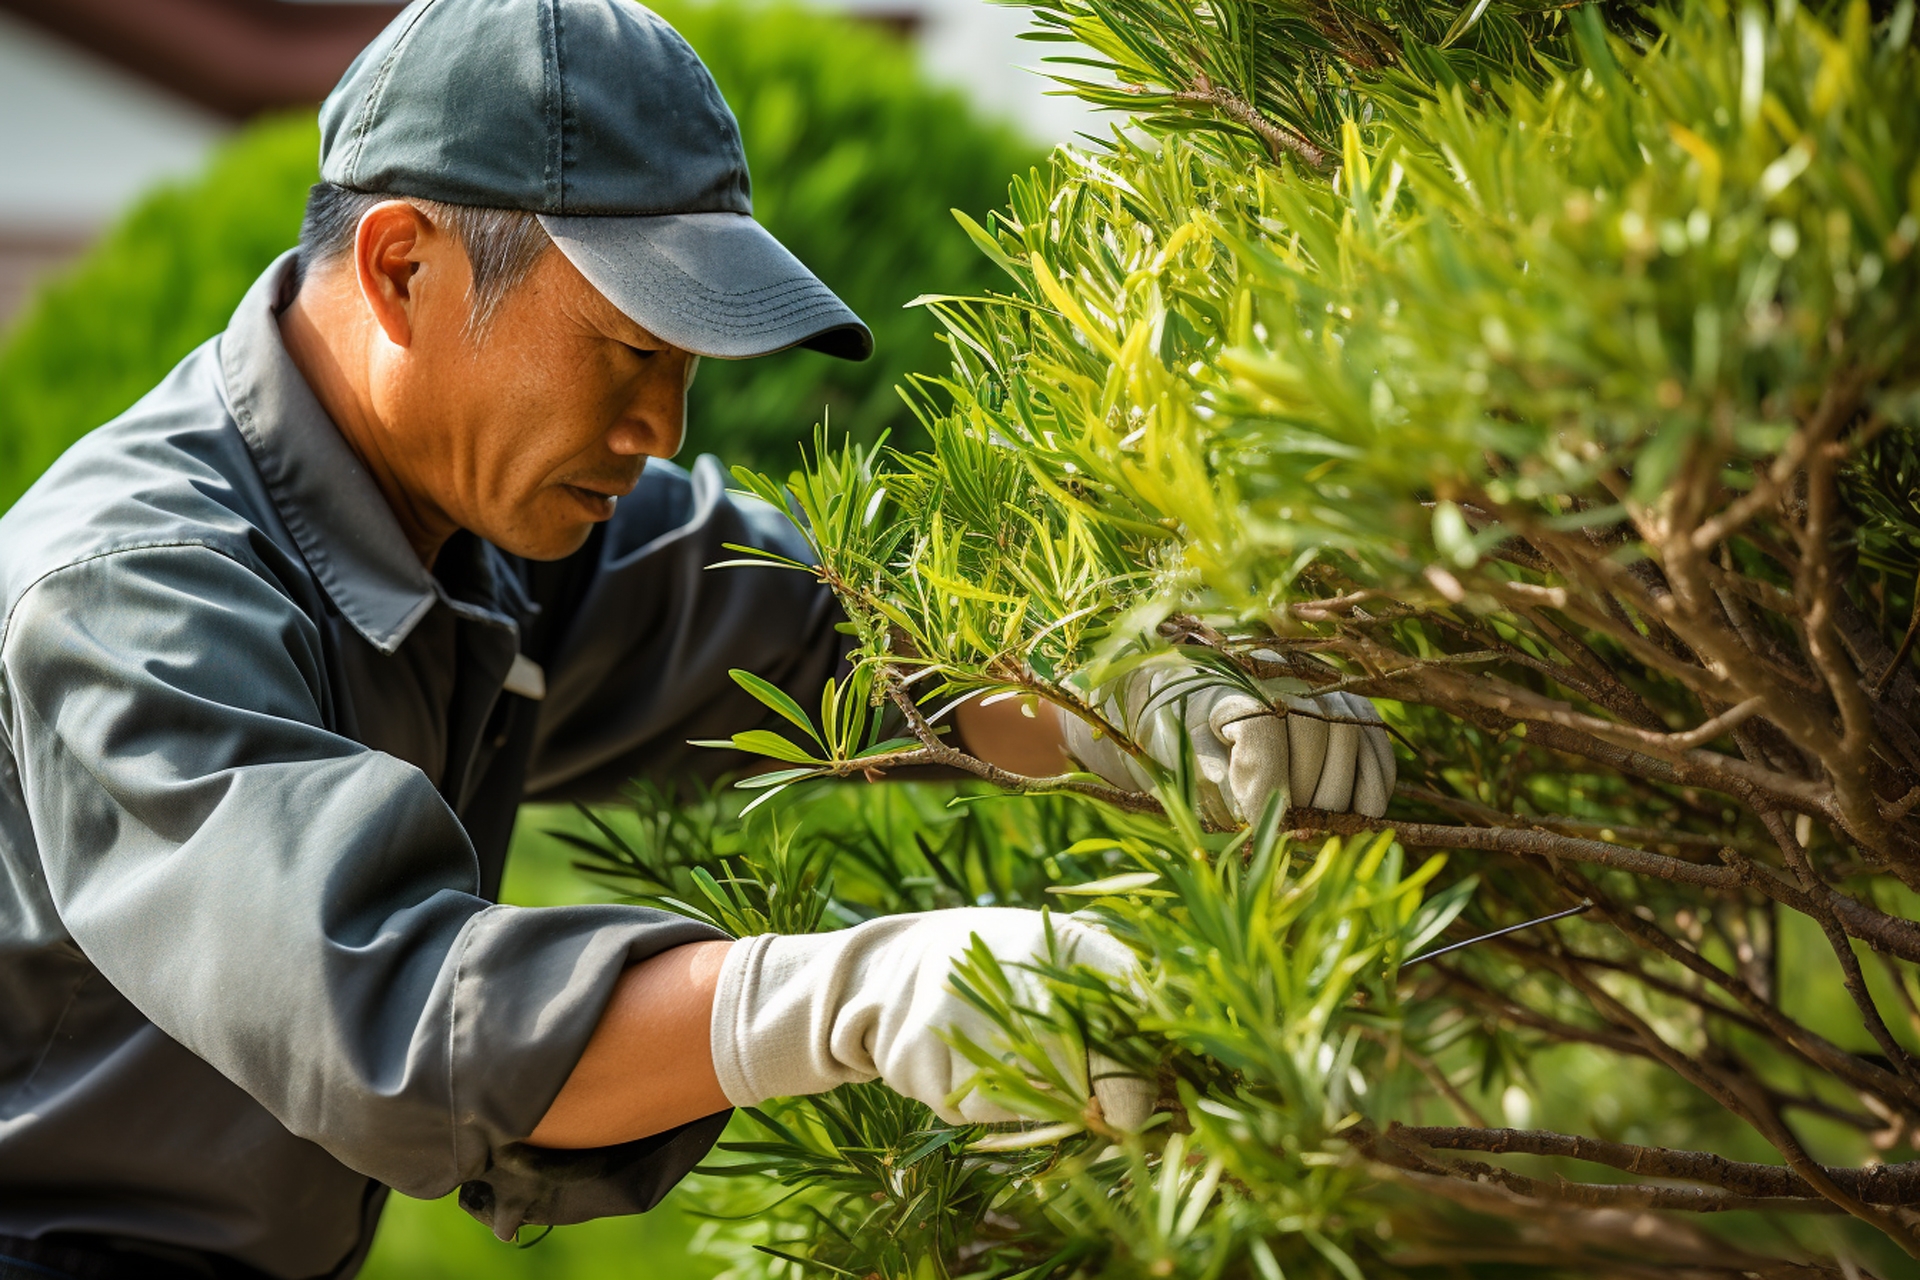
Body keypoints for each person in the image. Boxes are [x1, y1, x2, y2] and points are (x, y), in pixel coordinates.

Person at [0, 2, 1392, 1277]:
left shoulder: (492, 511)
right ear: (403, 267)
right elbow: (389, 1012)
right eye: (627, 348)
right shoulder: (134, 594)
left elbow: (837, 640)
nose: (662, 430)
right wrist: (864, 994)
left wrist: (1144, 701)